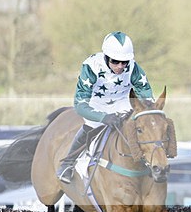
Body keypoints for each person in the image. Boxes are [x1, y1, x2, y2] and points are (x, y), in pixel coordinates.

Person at [57, 31, 154, 184]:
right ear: (106, 57)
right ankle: (67, 164)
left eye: (124, 62)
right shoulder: (91, 66)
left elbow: (147, 96)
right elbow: (80, 105)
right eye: (115, 61)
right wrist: (103, 117)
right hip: (96, 104)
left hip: (123, 103)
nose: (120, 67)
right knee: (92, 125)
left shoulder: (134, 67)